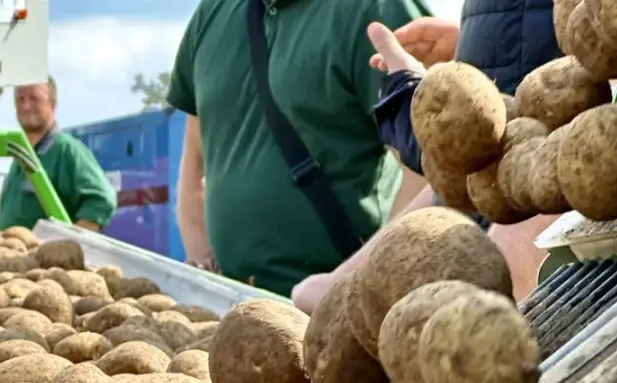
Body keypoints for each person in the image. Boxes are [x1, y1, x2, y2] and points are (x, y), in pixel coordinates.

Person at [291, 3, 564, 310]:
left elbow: (583, 104)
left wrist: (411, 98)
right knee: (320, 297)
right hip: (491, 206)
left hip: (539, 228)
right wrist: (481, 48)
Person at [168, 0, 434, 298]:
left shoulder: (376, 9)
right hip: (226, 310)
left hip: (333, 311)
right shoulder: (211, 14)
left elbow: (431, 173)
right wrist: (204, 269)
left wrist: (360, 291)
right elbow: (194, 156)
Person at [0, 77, 118, 233]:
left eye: (34, 98)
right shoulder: (21, 155)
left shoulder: (65, 150)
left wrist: (70, 245)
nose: (26, 106)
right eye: (20, 99)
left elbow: (102, 200)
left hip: (46, 257)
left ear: (52, 104)